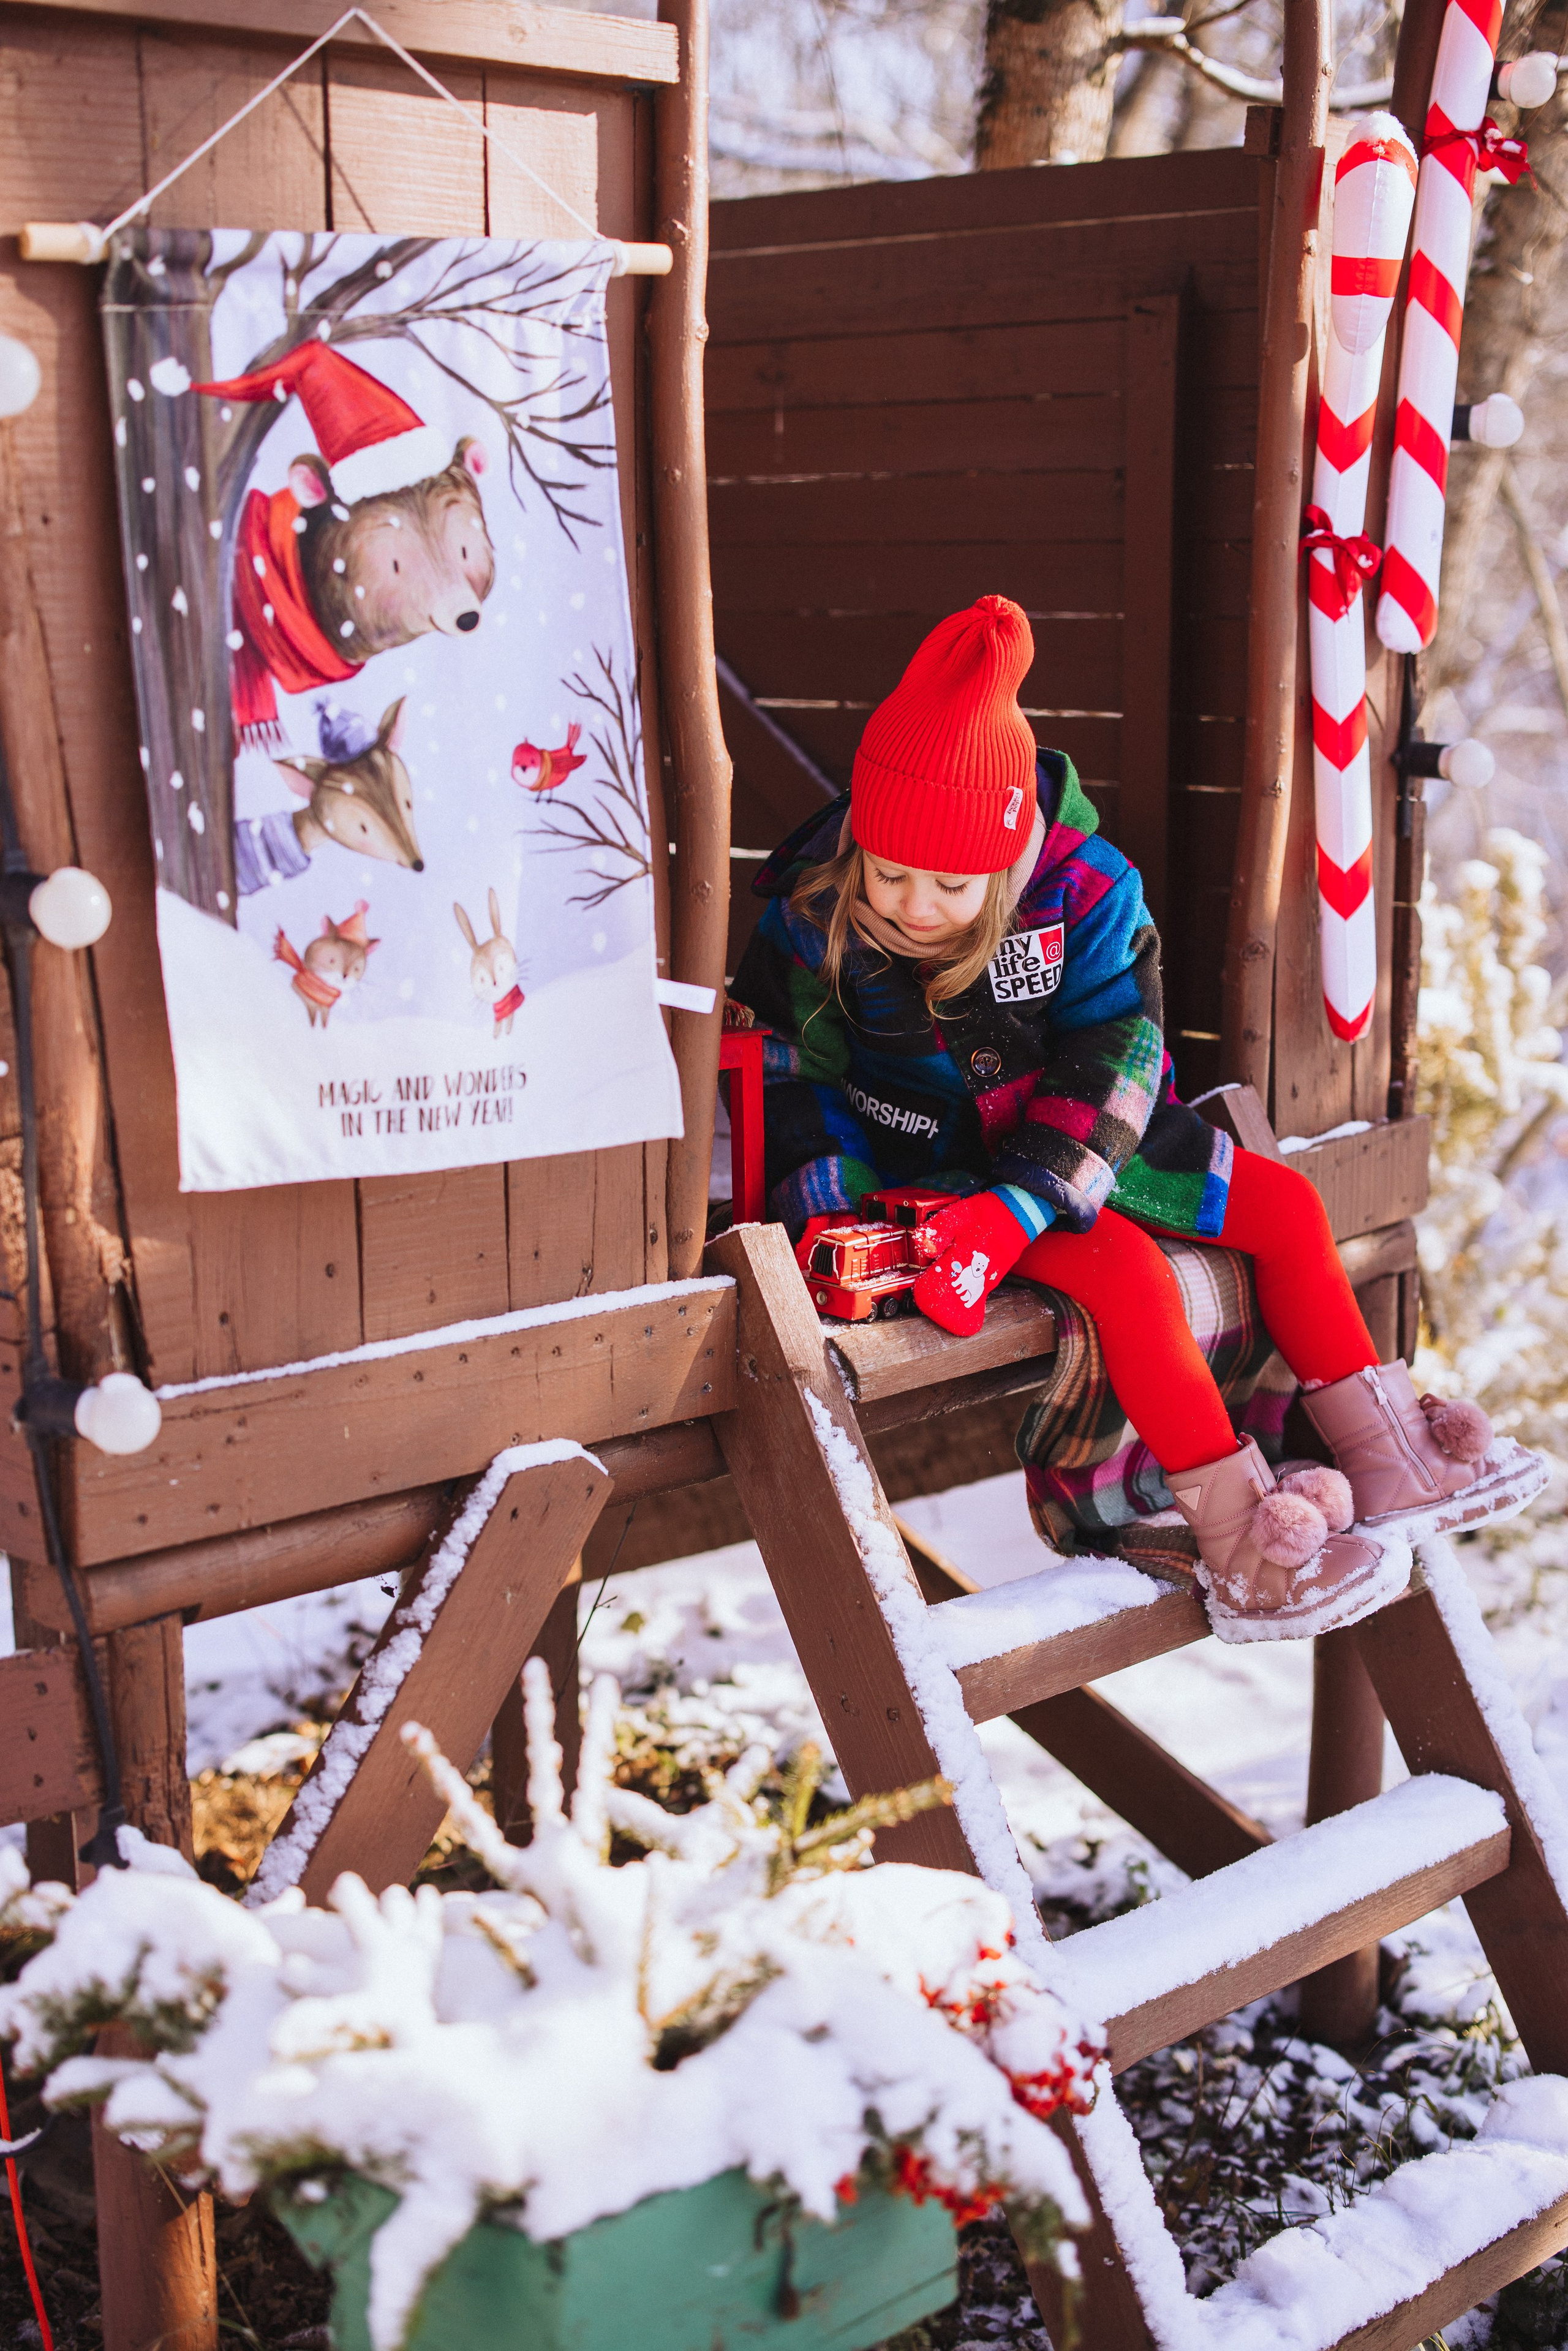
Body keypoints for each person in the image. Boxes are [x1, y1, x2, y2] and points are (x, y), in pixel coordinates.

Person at [729, 596, 1540, 1643]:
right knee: (1124, 1276)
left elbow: (1122, 1049)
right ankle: (1247, 1545)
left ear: (1012, 853)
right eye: (890, 872)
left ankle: (1389, 1456)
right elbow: (791, 1080)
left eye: (949, 883)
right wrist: (839, 1224)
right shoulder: (811, 918)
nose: (915, 905)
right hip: (936, 1175)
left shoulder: (1086, 892)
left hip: (1087, 1141)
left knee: (1286, 1206)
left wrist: (1033, 1195)